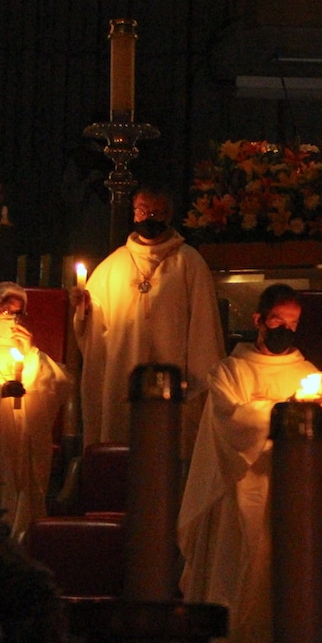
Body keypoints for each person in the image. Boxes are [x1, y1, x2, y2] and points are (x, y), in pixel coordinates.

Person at [177, 284, 322, 643]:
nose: (286, 328)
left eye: (293, 323)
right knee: (237, 577)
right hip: (239, 493)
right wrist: (287, 411)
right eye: (278, 320)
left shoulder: (310, 373)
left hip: (291, 495)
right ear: (259, 320)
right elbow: (230, 421)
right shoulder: (230, 372)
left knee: (282, 583)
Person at [72, 185, 225, 452]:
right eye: (143, 211)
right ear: (133, 214)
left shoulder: (189, 263)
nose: (149, 217)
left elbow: (204, 327)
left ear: (168, 215)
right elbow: (93, 333)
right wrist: (84, 310)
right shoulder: (112, 266)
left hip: (174, 378)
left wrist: (197, 377)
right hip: (123, 373)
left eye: (156, 212)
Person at [0, 282, 71, 542]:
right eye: (7, 312)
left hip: (20, 442)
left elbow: (59, 385)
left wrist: (30, 353)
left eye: (19, 314)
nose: (13, 321)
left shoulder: (25, 348)